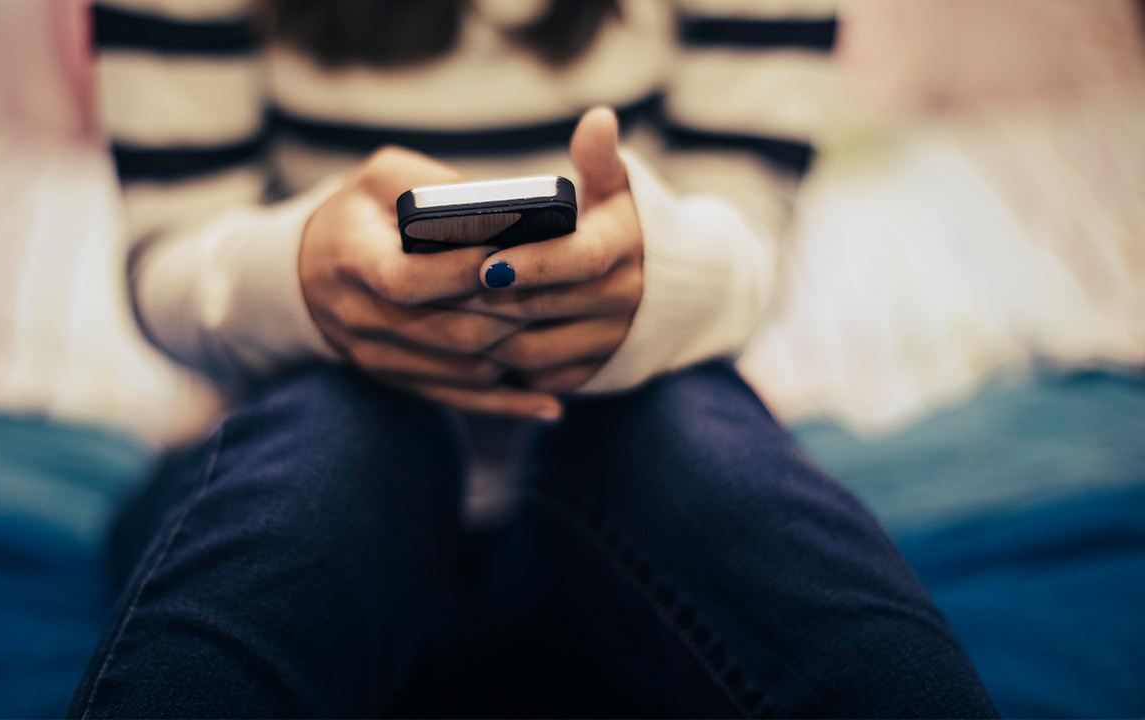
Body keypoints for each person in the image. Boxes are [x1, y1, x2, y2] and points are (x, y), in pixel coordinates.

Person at [70, 0, 998, 715]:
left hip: (625, 470)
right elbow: (170, 256)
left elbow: (750, 222)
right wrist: (302, 276)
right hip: (318, 460)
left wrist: (649, 277)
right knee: (337, 433)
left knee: (688, 430)